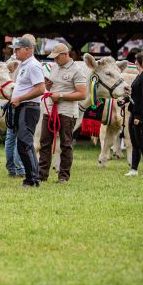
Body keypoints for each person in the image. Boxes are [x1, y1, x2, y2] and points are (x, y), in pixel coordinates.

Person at [39, 43, 88, 183]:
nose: (54, 60)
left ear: (66, 55)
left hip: (67, 112)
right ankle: (42, 175)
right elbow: (54, 86)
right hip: (50, 109)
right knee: (44, 143)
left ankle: (63, 177)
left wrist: (60, 96)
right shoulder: (55, 67)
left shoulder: (77, 71)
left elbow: (82, 94)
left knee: (66, 144)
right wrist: (48, 86)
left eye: (57, 57)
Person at [8, 37, 45, 188]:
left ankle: (32, 179)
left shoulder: (33, 66)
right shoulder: (24, 65)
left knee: (25, 143)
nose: (15, 51)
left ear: (28, 50)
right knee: (23, 143)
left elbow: (40, 89)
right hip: (23, 107)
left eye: (18, 49)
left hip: (28, 107)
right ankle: (32, 177)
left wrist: (20, 98)